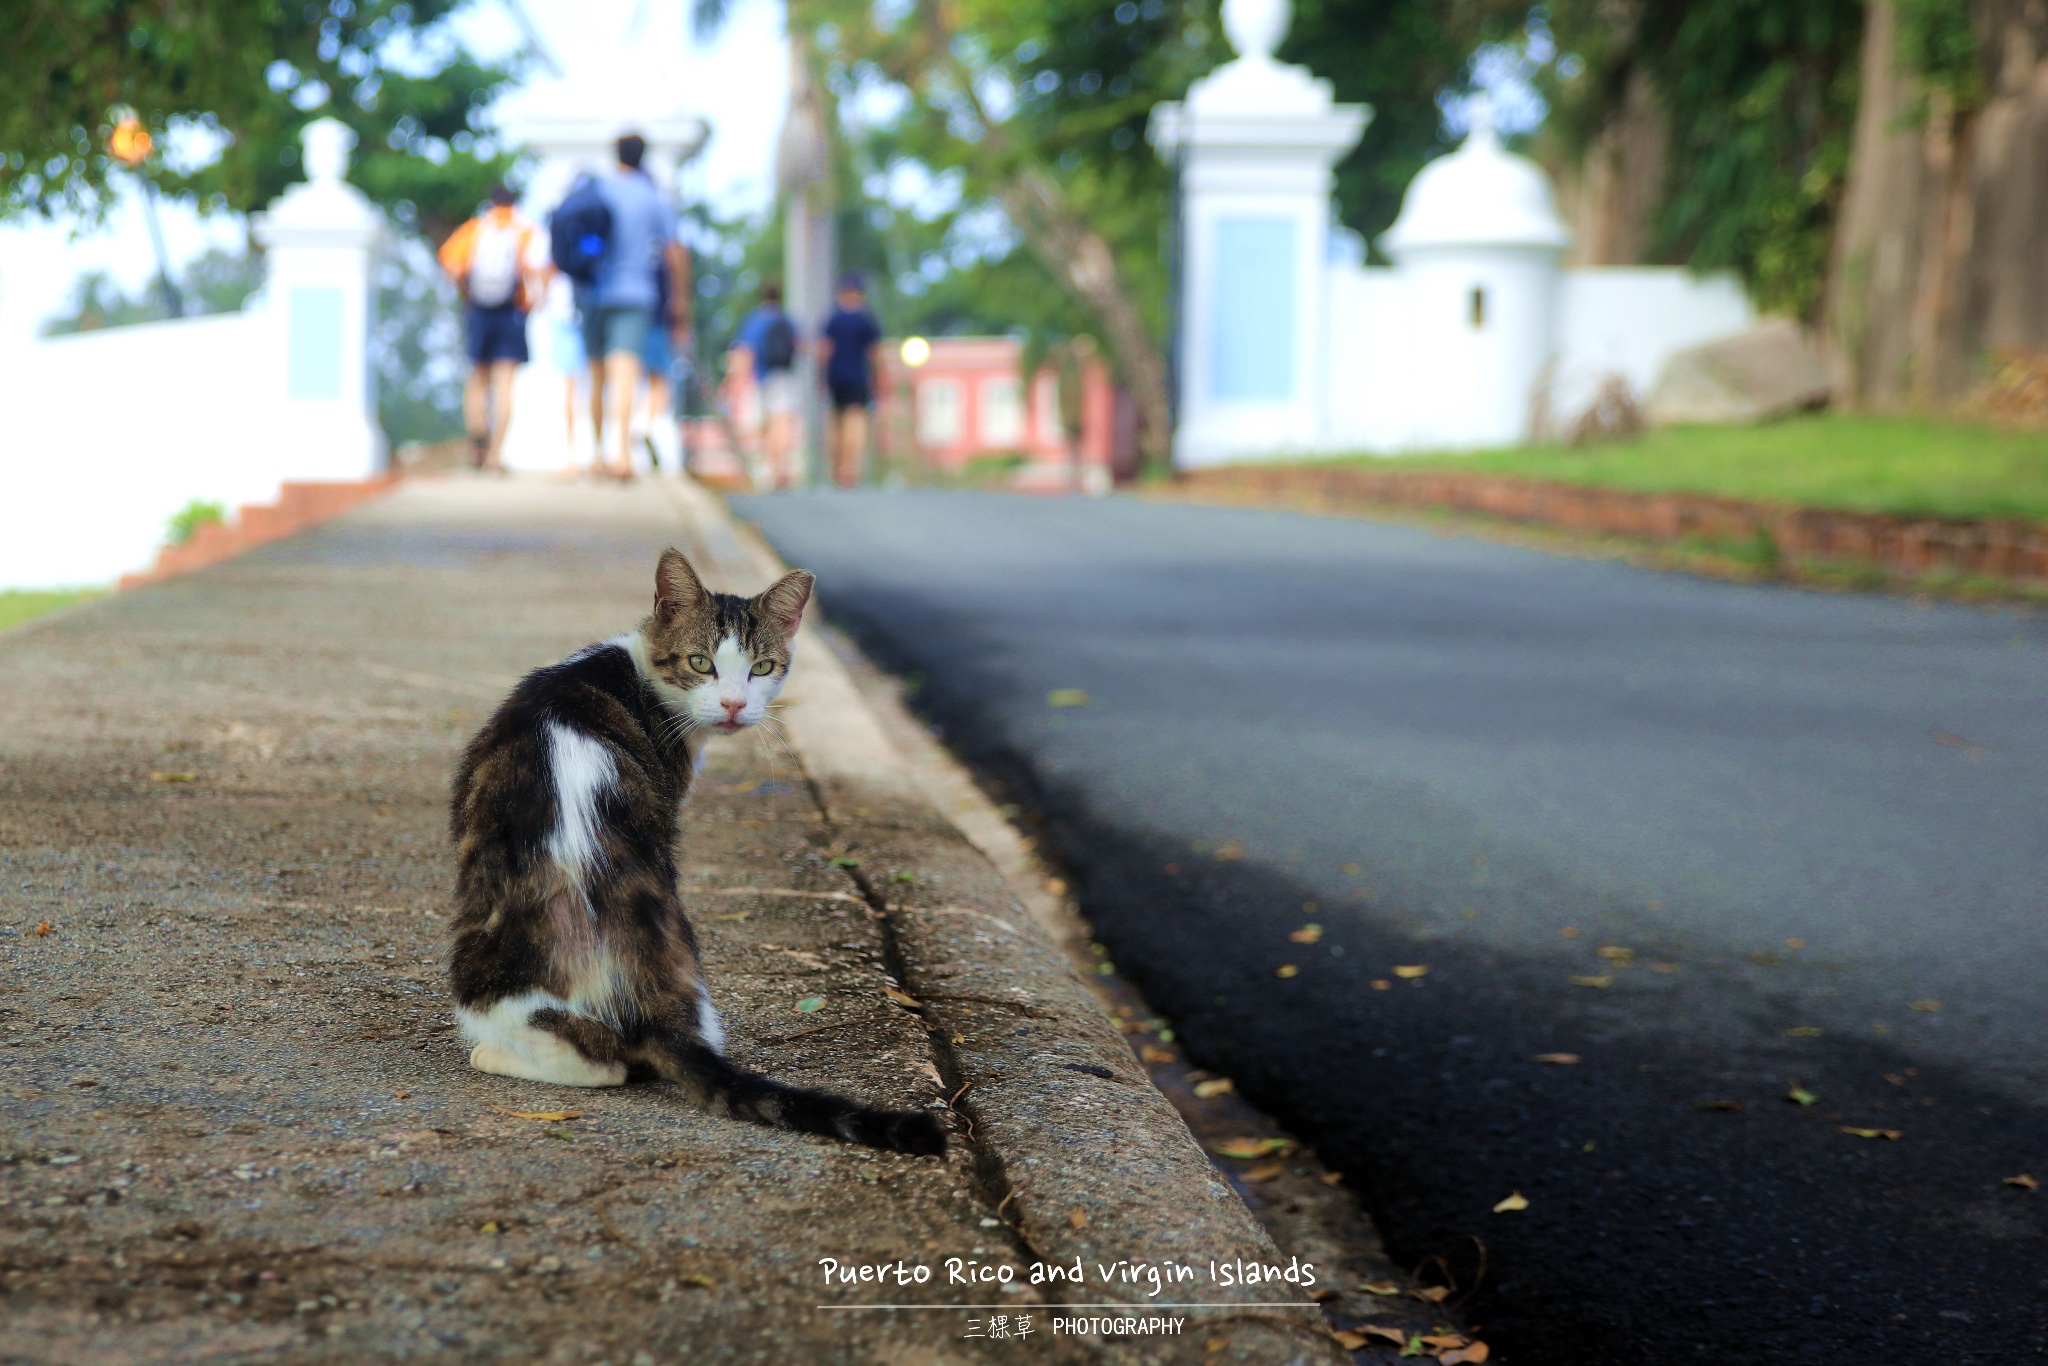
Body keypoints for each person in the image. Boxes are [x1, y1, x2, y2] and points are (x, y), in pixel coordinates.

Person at [584, 133, 687, 482]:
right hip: (636, 293)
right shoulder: (653, 198)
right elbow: (674, 252)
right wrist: (680, 300)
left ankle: (597, 454)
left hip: (594, 291)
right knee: (624, 374)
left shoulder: (597, 189)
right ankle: (622, 456)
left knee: (597, 376)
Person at [438, 185, 548, 472]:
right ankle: (496, 455)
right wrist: (534, 301)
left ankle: (477, 440)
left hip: (479, 310)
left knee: (477, 379)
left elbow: (452, 266)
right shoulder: (525, 231)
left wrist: (467, 295)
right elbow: (538, 272)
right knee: (505, 385)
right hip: (511, 312)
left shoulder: (475, 229)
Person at [817, 272, 882, 489]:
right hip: (857, 377)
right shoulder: (865, 320)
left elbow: (824, 351)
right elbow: (874, 353)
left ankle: (838, 468)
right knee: (856, 423)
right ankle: (850, 469)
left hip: (836, 377)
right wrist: (879, 377)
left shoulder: (833, 319)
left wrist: (821, 377)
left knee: (836, 424)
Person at [733, 282, 800, 488]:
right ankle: (781, 466)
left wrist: (737, 382)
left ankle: (770, 467)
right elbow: (802, 345)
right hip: (785, 375)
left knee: (766, 423)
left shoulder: (754, 321)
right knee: (783, 421)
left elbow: (745, 352)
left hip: (761, 377)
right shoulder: (788, 320)